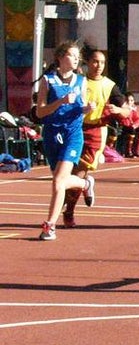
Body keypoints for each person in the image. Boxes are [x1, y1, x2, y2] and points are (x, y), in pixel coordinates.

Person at [34, 41, 96, 240]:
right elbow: (40, 111)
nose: (76, 58)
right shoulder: (48, 80)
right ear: (60, 57)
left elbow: (82, 107)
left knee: (58, 180)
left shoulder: (81, 81)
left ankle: (50, 225)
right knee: (59, 181)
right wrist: (60, 102)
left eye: (78, 56)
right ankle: (85, 185)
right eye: (72, 54)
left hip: (73, 133)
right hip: (52, 133)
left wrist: (89, 109)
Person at [61, 48, 130, 229]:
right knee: (64, 172)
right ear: (87, 62)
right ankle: (85, 185)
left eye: (102, 62)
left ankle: (69, 212)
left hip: (96, 132)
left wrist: (119, 111)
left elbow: (127, 110)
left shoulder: (109, 86)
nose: (98, 66)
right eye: (95, 61)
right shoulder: (78, 81)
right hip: (74, 128)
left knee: (78, 172)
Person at [119, 93, 139, 158]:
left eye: (132, 100)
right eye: (128, 100)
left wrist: (135, 125)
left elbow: (137, 119)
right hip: (124, 125)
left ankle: (136, 151)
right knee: (131, 130)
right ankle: (128, 152)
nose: (130, 102)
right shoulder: (121, 108)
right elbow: (121, 119)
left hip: (132, 125)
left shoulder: (133, 108)